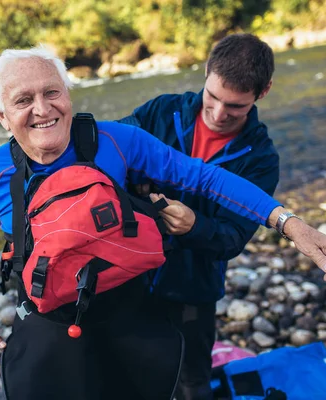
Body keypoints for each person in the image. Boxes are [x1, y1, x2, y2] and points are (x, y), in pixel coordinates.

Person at [0, 46, 326, 400]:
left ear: (68, 94)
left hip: (129, 315)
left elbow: (205, 178)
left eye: (52, 92)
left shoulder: (118, 143)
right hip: (49, 323)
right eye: (23, 100)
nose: (42, 109)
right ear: (2, 115)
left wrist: (291, 225)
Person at [118, 33, 284, 399]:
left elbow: (232, 238)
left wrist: (195, 226)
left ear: (263, 91)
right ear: (206, 71)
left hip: (194, 288)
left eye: (235, 107)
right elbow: (108, 154)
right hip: (129, 274)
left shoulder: (261, 159)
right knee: (126, 374)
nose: (218, 114)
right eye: (213, 97)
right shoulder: (161, 111)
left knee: (192, 381)